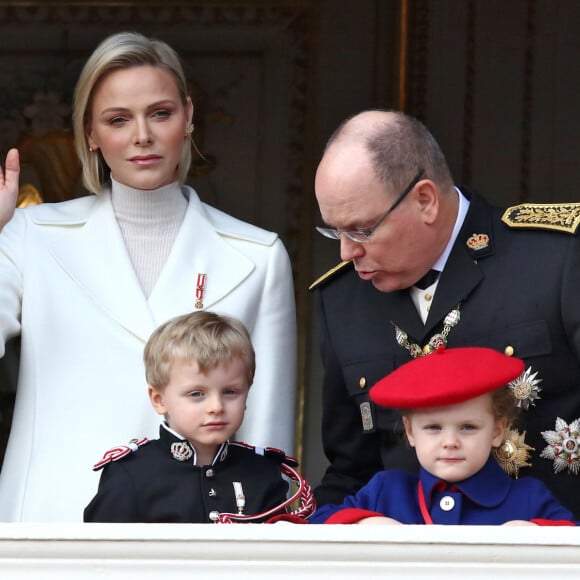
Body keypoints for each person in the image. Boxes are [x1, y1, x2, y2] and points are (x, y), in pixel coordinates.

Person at [0, 31, 297, 522]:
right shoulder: (32, 233)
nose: (143, 135)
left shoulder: (257, 255)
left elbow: (266, 434)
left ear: (188, 116)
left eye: (160, 113)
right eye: (118, 119)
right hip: (49, 523)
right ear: (91, 134)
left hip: (198, 534)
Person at [310, 108, 580, 518]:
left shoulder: (555, 258)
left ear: (425, 200)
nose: (347, 251)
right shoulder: (341, 298)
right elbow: (352, 471)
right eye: (334, 230)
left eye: (362, 229)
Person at [84, 311, 313, 523]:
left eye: (230, 392)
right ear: (159, 399)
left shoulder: (263, 472)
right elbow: (99, 561)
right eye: (197, 394)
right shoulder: (130, 474)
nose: (216, 407)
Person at [311, 346, 576, 525]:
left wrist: (535, 535)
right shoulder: (386, 491)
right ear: (410, 431)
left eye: (468, 427)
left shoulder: (529, 498)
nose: (450, 442)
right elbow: (315, 525)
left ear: (497, 430)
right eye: (433, 428)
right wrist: (362, 522)